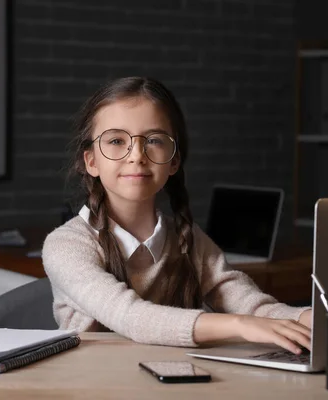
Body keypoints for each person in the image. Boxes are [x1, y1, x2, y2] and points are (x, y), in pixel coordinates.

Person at [42, 76, 312, 354]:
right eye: (116, 140)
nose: (136, 155)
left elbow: (252, 305)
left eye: (154, 140)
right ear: (91, 162)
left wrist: (308, 318)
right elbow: (132, 318)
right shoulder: (66, 245)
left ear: (174, 161)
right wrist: (240, 325)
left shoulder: (187, 238)